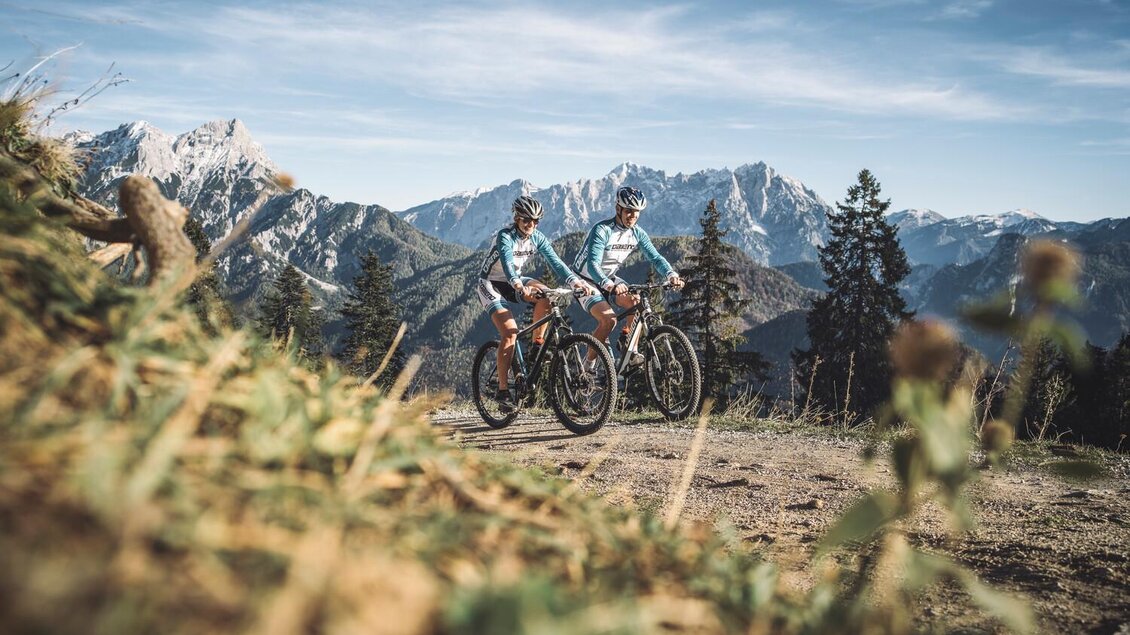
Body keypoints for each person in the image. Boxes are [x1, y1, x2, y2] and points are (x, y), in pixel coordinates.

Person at [478, 195, 589, 411]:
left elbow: (556, 262)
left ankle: (537, 347)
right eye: (527, 220)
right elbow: (508, 263)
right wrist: (519, 286)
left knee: (547, 295)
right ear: (517, 218)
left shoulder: (537, 237)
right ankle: (503, 391)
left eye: (536, 221)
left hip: (517, 281)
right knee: (510, 332)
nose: (532, 225)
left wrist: (576, 281)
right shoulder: (505, 236)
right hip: (491, 283)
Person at [573, 186, 683, 367]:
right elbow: (592, 265)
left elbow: (655, 258)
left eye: (636, 212)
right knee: (608, 320)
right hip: (585, 280)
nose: (633, 216)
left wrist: (671, 274)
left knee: (636, 301)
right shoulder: (602, 229)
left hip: (609, 277)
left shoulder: (637, 233)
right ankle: (588, 366)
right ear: (618, 209)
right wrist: (609, 285)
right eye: (629, 211)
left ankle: (630, 349)